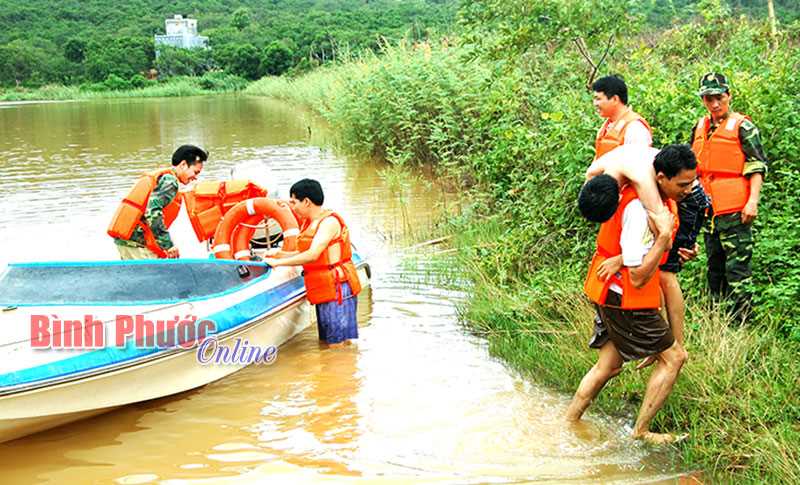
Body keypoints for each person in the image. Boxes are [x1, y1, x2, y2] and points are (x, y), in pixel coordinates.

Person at [568, 144, 697, 444]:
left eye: (692, 182)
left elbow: (639, 253)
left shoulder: (634, 185)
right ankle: (641, 432)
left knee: (608, 366)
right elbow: (638, 277)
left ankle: (568, 421)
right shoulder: (641, 208)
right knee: (674, 357)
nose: (689, 190)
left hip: (609, 292)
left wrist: (668, 247)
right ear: (661, 177)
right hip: (626, 299)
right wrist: (664, 238)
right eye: (682, 184)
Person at [585, 145, 708, 350]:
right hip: (673, 179)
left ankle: (675, 344)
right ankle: (664, 344)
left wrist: (622, 259)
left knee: (665, 271)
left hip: (691, 197)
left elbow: (665, 238)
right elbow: (590, 180)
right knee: (655, 265)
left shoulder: (643, 180)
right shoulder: (597, 172)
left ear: (617, 198)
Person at [691, 72, 768, 323]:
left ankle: (742, 322)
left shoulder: (743, 127)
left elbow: (757, 165)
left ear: (728, 96)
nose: (715, 104)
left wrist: (752, 201)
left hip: (736, 210)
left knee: (737, 269)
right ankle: (718, 319)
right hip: (709, 210)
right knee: (714, 266)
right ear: (703, 99)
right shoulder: (699, 127)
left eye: (719, 98)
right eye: (709, 98)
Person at [263, 179, 362, 347]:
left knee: (337, 346)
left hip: (338, 288)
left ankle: (344, 372)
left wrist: (280, 263)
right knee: (327, 342)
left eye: (294, 202)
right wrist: (279, 255)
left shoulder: (329, 222)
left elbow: (313, 255)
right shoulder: (309, 223)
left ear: (307, 201)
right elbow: (303, 253)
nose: (293, 207)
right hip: (324, 287)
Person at [108, 145, 207, 260]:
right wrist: (168, 245)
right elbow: (152, 212)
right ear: (183, 165)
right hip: (136, 243)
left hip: (128, 240)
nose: (195, 177)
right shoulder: (170, 182)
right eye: (195, 172)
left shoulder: (165, 176)